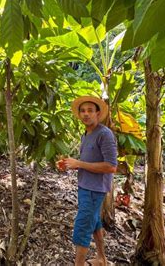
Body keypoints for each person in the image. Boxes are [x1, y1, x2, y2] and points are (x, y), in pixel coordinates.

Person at [58, 96, 117, 266]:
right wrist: (71, 165)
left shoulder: (104, 134)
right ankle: (102, 259)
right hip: (85, 185)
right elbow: (89, 162)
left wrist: (79, 163)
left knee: (83, 227)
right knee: (95, 222)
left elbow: (111, 167)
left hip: (95, 189)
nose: (86, 114)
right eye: (82, 111)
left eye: (90, 110)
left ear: (98, 113)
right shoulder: (86, 135)